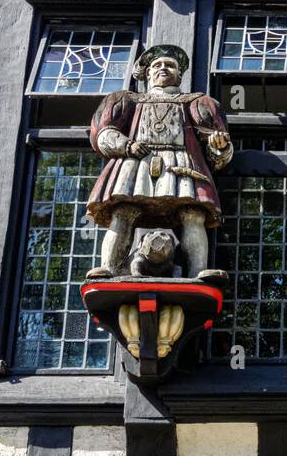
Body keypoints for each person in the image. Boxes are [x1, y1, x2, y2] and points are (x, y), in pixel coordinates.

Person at [85, 44, 233, 282]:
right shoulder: (126, 101)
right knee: (123, 212)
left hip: (182, 163)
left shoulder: (196, 103)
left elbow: (215, 151)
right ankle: (109, 267)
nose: (163, 68)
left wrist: (220, 145)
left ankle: (197, 271)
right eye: (157, 65)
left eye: (170, 65)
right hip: (135, 164)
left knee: (192, 214)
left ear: (179, 74)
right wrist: (125, 145)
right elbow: (103, 133)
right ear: (147, 73)